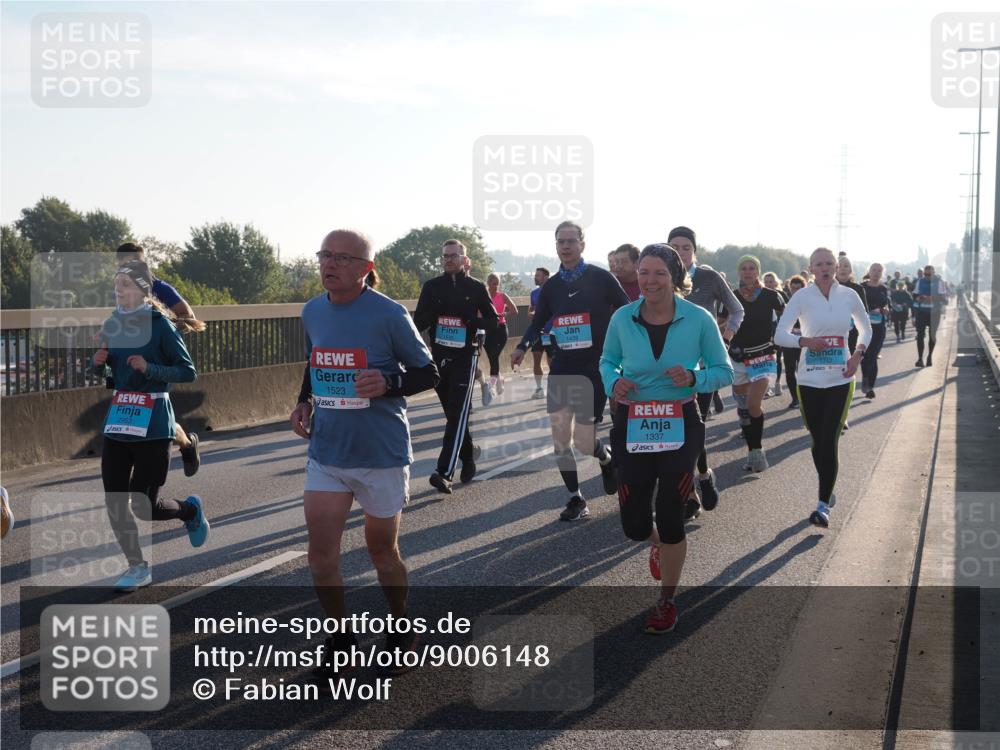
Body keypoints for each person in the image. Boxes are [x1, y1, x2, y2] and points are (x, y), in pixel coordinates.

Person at [290, 229, 438, 678]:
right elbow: (318, 359)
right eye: (324, 255)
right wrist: (304, 399)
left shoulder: (389, 314)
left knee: (382, 552)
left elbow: (427, 371)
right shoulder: (312, 310)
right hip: (328, 452)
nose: (329, 264)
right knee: (321, 556)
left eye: (341, 258)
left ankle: (400, 625)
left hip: (381, 453)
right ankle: (340, 637)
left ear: (365, 269)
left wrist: (388, 383)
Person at [600, 244, 733, 633]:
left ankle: (666, 600)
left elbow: (723, 370)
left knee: (673, 511)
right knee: (635, 525)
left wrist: (695, 378)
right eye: (643, 272)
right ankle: (657, 543)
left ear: (675, 278)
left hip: (680, 420)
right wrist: (614, 381)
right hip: (633, 420)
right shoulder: (623, 318)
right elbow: (608, 360)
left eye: (659, 273)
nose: (650, 280)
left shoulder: (699, 319)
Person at [91, 260, 209, 591]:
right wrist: (99, 363)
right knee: (115, 500)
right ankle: (137, 567)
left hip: (154, 424)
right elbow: (111, 376)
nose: (119, 291)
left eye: (125, 286)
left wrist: (150, 368)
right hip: (118, 422)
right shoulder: (112, 324)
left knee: (145, 508)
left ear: (143, 291)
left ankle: (188, 511)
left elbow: (187, 371)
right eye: (116, 286)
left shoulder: (160, 325)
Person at [511, 221, 628, 521]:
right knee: (561, 436)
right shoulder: (550, 287)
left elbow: (627, 311)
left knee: (584, 440)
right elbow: (538, 323)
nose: (565, 246)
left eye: (571, 241)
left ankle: (605, 458)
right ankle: (575, 498)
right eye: (560, 241)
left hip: (595, 367)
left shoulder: (601, 278)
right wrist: (523, 346)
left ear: (582, 244)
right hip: (563, 367)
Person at [774, 248, 871, 527]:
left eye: (830, 263)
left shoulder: (849, 295)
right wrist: (804, 342)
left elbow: (866, 329)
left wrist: (857, 355)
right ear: (811, 268)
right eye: (820, 264)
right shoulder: (801, 297)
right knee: (817, 442)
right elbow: (780, 334)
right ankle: (828, 489)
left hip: (841, 378)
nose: (826, 268)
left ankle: (821, 504)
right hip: (809, 380)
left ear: (837, 267)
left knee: (829, 439)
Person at [667, 226, 744, 514]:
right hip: (669, 369)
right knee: (675, 429)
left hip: (703, 368)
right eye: (673, 246)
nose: (680, 252)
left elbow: (736, 310)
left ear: (694, 251)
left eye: (685, 247)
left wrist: (725, 339)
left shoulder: (709, 277)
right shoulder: (661, 278)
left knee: (694, 426)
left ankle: (702, 475)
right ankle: (689, 493)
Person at [413, 240, 498, 493]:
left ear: (464, 258)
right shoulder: (432, 287)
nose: (449, 259)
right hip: (439, 357)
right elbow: (417, 323)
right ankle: (469, 454)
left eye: (454, 255)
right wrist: (435, 316)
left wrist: (470, 321)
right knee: (454, 414)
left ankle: (444, 472)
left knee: (459, 412)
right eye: (445, 256)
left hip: (466, 356)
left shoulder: (475, 287)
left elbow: (493, 321)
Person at [115, 244, 204, 477]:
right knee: (140, 412)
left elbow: (189, 316)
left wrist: (160, 332)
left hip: (158, 361)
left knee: (154, 414)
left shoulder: (159, 287)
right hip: (131, 362)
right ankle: (181, 445)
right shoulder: (121, 287)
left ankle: (184, 445)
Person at [729, 255, 785, 473]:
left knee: (753, 404)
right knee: (744, 410)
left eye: (752, 268)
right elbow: (721, 321)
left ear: (758, 271)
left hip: (763, 356)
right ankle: (752, 449)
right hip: (738, 358)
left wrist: (788, 336)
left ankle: (757, 452)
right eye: (744, 268)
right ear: (739, 272)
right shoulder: (732, 297)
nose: (748, 272)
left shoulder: (772, 296)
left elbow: (789, 317)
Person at [859, 263, 890, 398]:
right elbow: (857, 306)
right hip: (863, 327)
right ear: (869, 272)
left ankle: (869, 386)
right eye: (874, 270)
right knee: (865, 356)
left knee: (873, 355)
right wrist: (871, 309)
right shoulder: (862, 287)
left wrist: (885, 310)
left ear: (882, 273)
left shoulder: (883, 288)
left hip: (879, 327)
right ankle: (866, 378)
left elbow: (886, 305)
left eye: (879, 271)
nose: (876, 273)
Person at [484, 274, 518, 399]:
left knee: (494, 355)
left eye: (497, 283)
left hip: (501, 330)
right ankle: (500, 378)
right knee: (492, 358)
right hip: (487, 331)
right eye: (493, 283)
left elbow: (514, 310)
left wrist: (504, 313)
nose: (495, 286)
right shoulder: (483, 296)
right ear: (488, 283)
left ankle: (491, 385)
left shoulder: (502, 296)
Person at [780, 275, 807, 408]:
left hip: (805, 341)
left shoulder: (809, 302)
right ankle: (795, 398)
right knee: (790, 369)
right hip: (789, 340)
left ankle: (805, 396)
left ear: (803, 288)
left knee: (802, 369)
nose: (795, 291)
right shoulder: (785, 302)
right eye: (793, 288)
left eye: (798, 288)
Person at [528, 267, 554, 399]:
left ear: (546, 277)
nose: (535, 278)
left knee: (552, 362)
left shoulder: (554, 292)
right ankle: (539, 388)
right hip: (538, 331)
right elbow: (531, 308)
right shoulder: (534, 293)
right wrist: (531, 313)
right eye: (535, 275)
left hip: (552, 332)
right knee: (536, 357)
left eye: (537, 276)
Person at [913, 264, 944, 367]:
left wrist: (931, 298)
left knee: (932, 335)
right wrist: (918, 298)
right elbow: (915, 295)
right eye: (925, 274)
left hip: (934, 313)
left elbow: (942, 298)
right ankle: (920, 359)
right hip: (921, 312)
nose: (927, 276)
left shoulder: (939, 282)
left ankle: (929, 357)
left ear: (934, 273)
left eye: (929, 274)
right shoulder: (920, 281)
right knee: (920, 335)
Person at [762, 272, 787, 399]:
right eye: (766, 282)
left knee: (777, 357)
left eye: (771, 281)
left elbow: (787, 312)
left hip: (779, 329)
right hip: (765, 330)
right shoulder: (761, 295)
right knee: (766, 357)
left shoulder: (781, 295)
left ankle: (777, 382)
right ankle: (766, 386)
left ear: (776, 282)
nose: (768, 284)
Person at [835, 255, 865, 355]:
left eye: (846, 266)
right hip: (831, 332)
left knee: (848, 363)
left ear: (851, 270)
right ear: (834, 269)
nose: (842, 269)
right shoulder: (827, 287)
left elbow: (865, 313)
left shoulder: (858, 289)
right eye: (839, 266)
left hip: (852, 332)